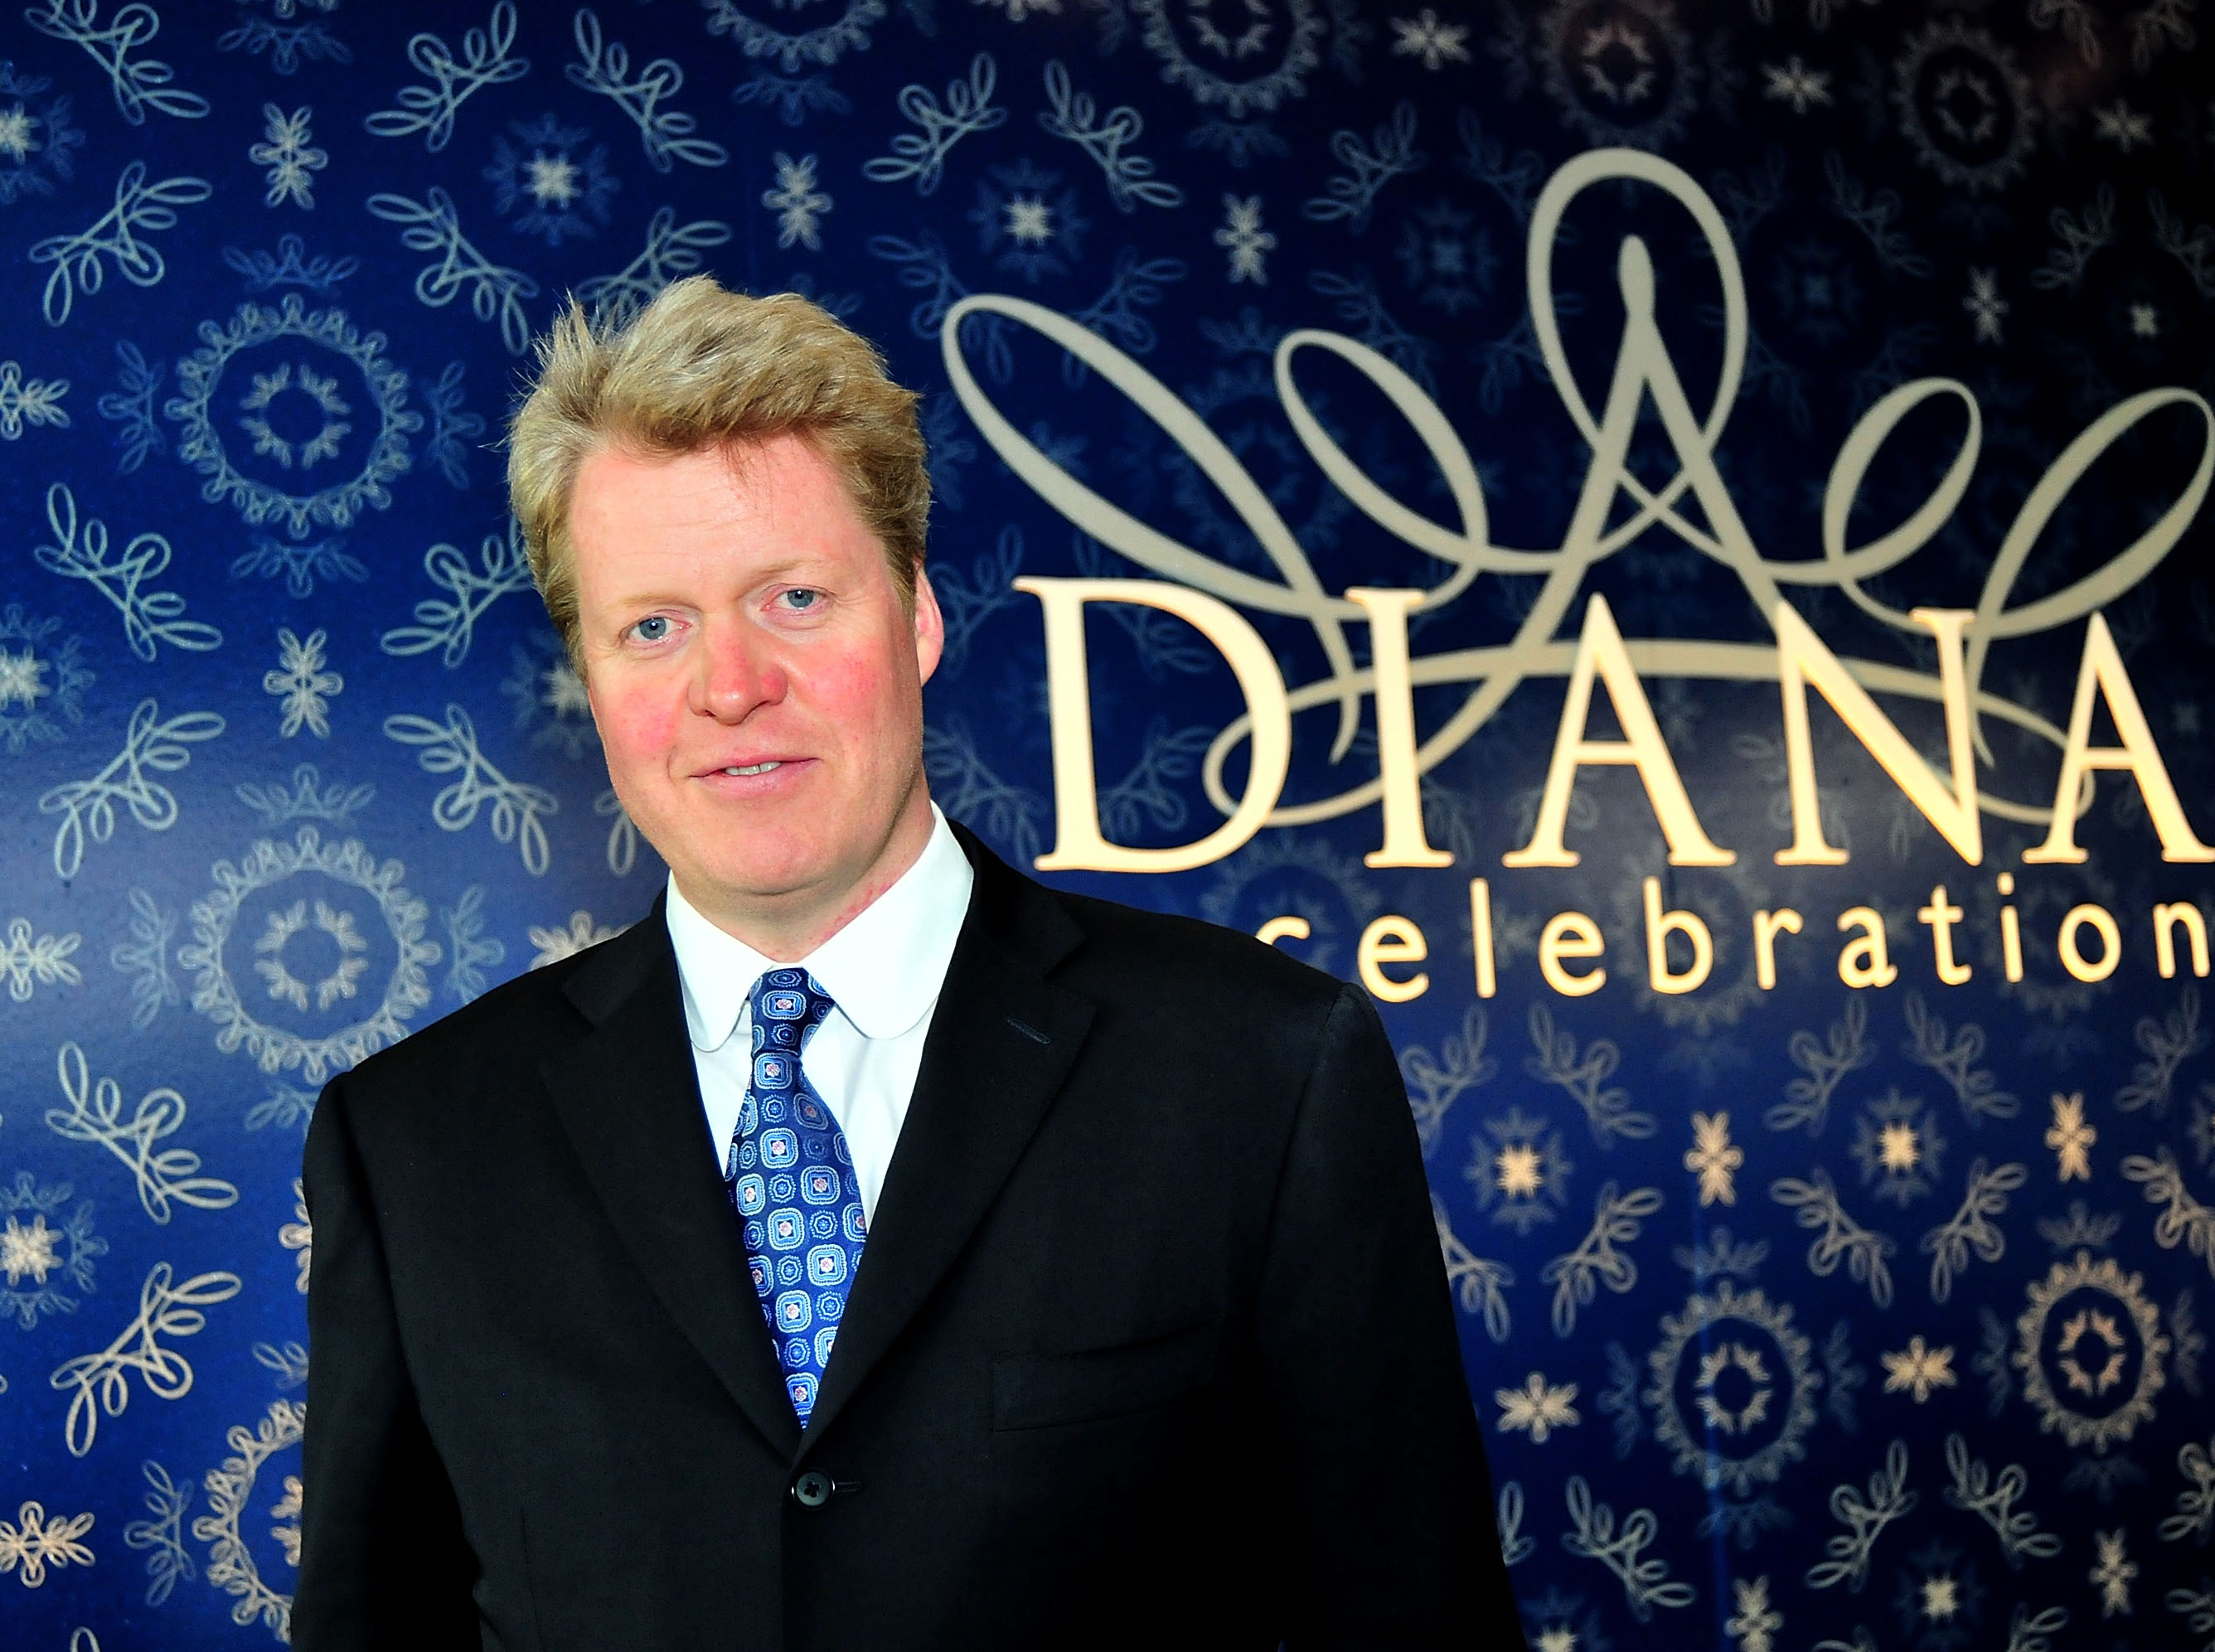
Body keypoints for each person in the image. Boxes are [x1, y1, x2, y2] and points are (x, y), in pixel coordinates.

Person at [295, 276, 1518, 1650]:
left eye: (798, 597)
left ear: (918, 618)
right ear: (588, 677)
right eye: (653, 624)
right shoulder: (414, 1144)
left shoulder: (1261, 1073)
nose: (731, 681)